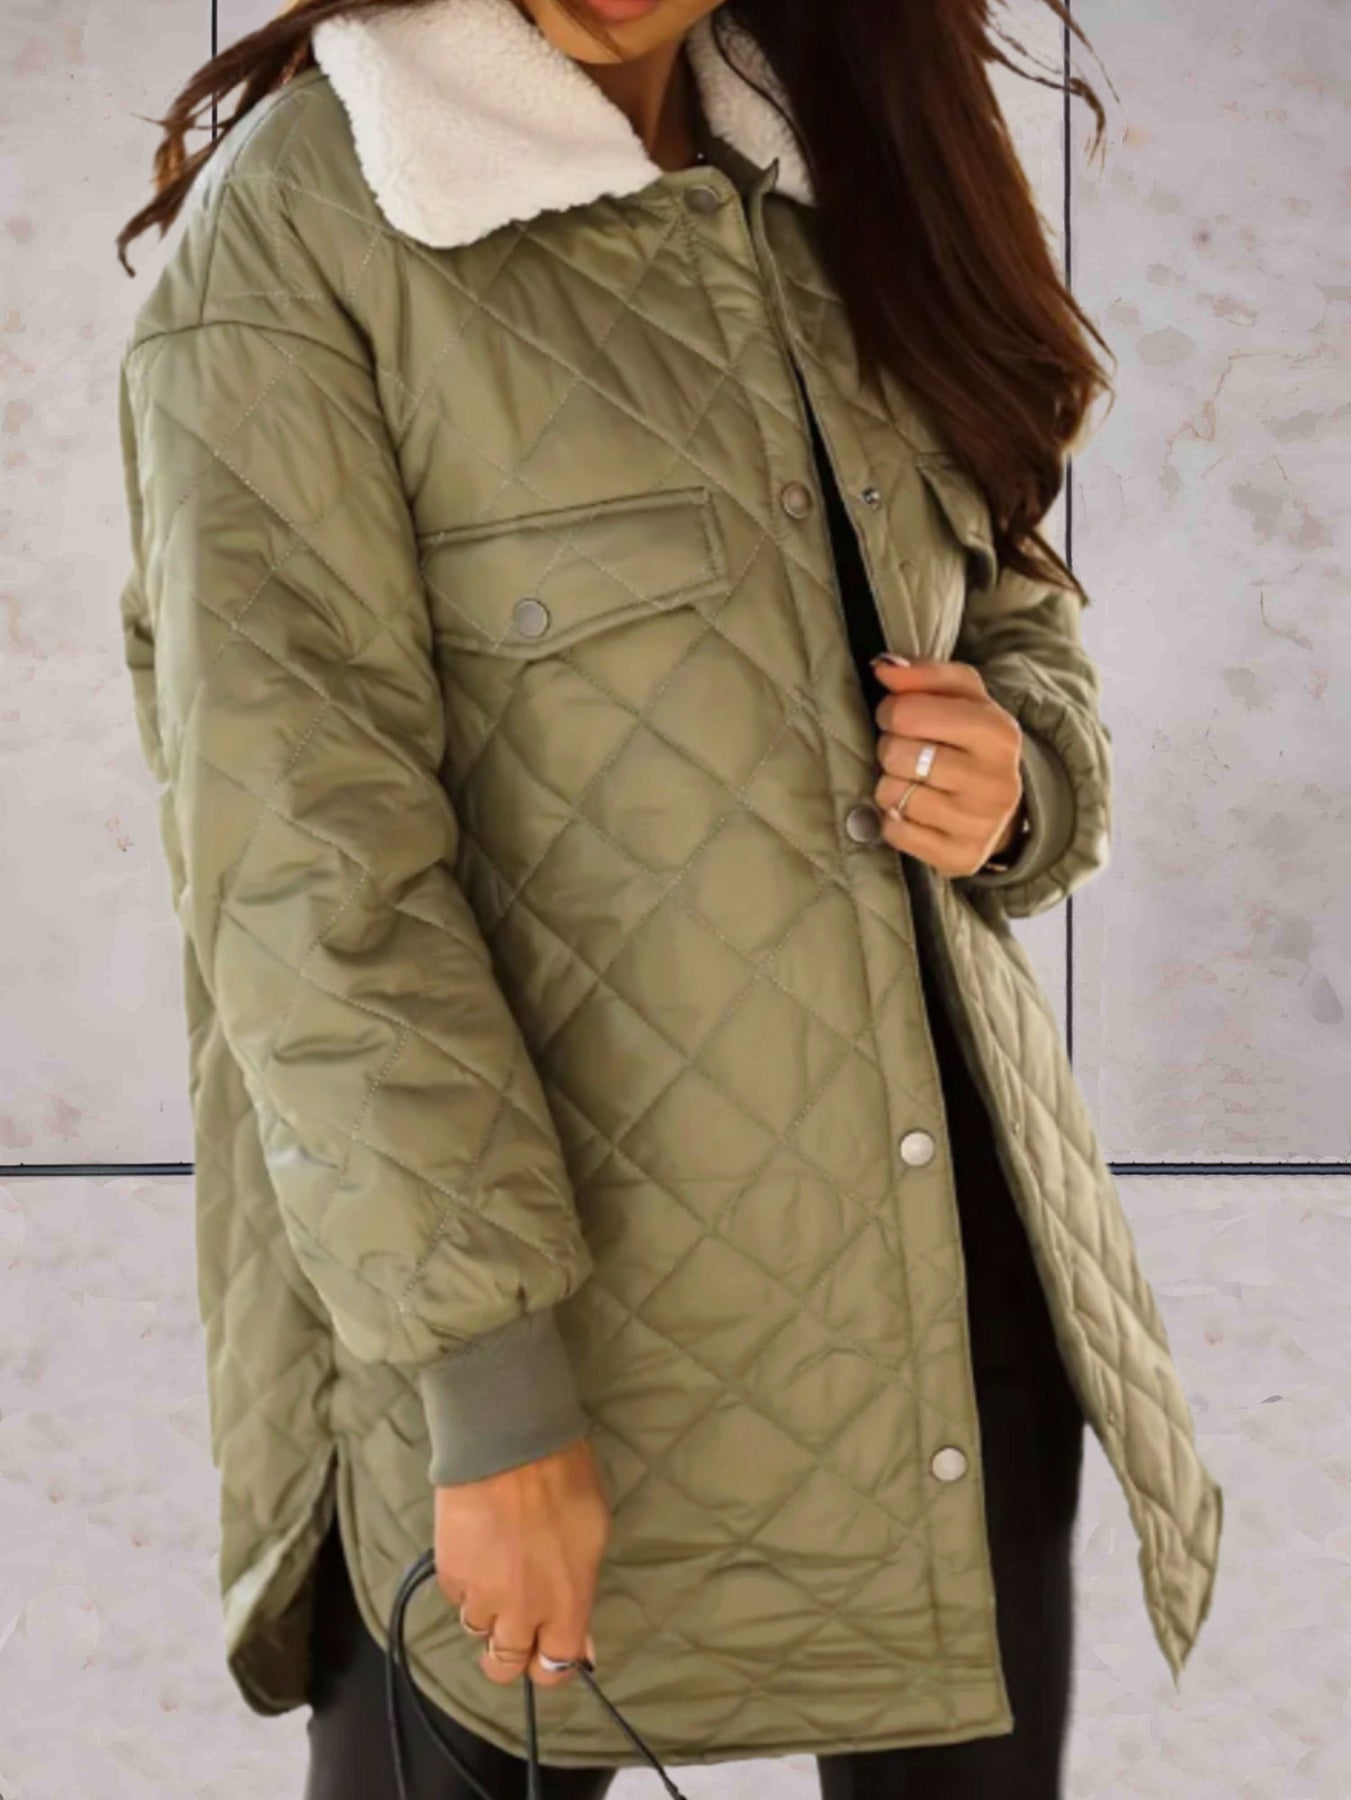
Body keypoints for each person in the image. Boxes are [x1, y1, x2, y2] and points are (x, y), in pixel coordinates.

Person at [113, 2, 1223, 1796]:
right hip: (545, 1343)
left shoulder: (852, 165)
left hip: (960, 1303)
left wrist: (1021, 774)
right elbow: (306, 875)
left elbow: (1012, 594)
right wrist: (489, 1390)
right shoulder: (312, 218)